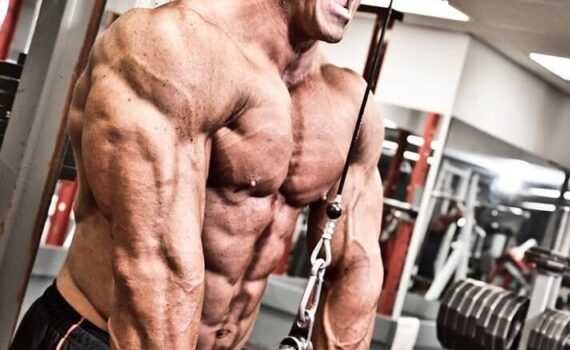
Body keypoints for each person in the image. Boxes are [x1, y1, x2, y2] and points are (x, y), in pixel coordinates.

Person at [10, 0, 385, 349]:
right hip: (100, 336)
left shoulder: (349, 107)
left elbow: (356, 269)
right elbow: (157, 271)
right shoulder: (175, 46)